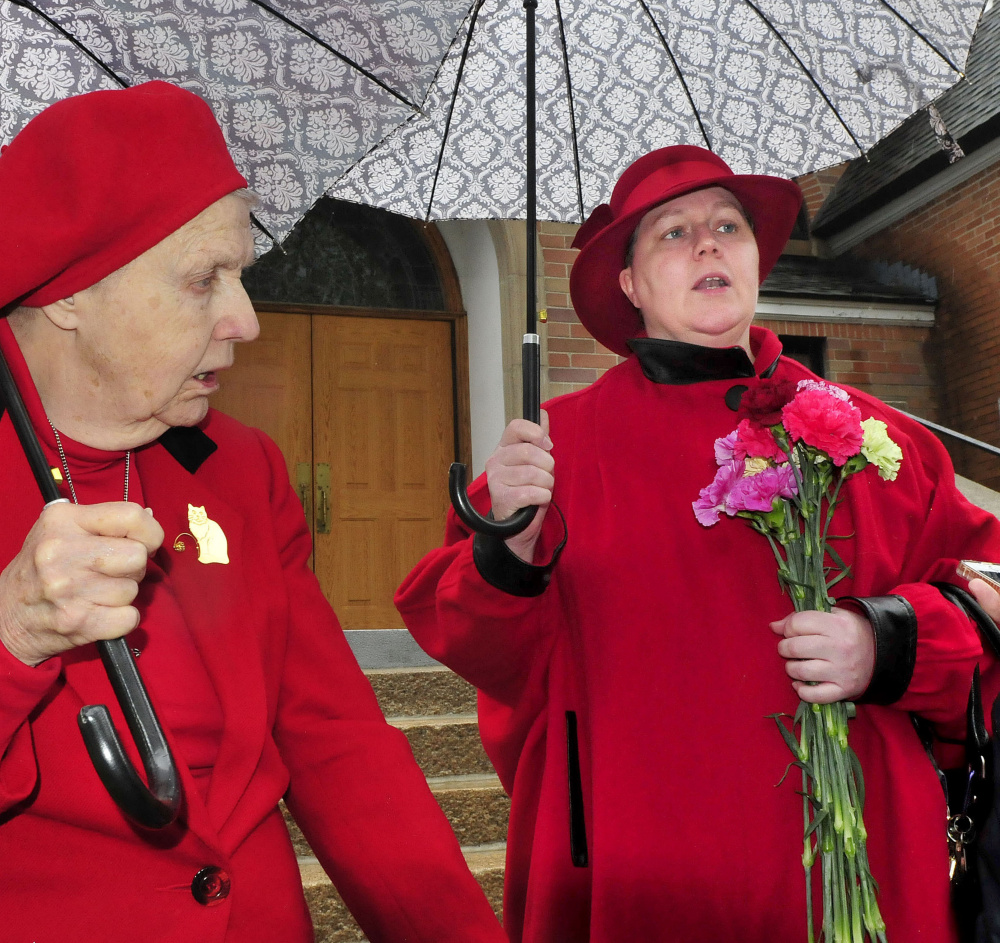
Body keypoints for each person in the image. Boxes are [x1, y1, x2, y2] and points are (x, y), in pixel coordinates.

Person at [395, 145, 1000, 942]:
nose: (708, 244)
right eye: (672, 233)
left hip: (860, 873)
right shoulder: (552, 456)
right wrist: (510, 544)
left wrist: (886, 639)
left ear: (756, 256)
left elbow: (985, 595)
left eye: (727, 226)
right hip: (642, 868)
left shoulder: (879, 435)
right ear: (631, 283)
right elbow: (479, 647)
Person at [0, 82, 506, 942]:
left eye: (243, 271)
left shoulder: (241, 468)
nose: (246, 319)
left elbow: (335, 742)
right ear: (68, 296)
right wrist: (11, 639)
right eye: (205, 279)